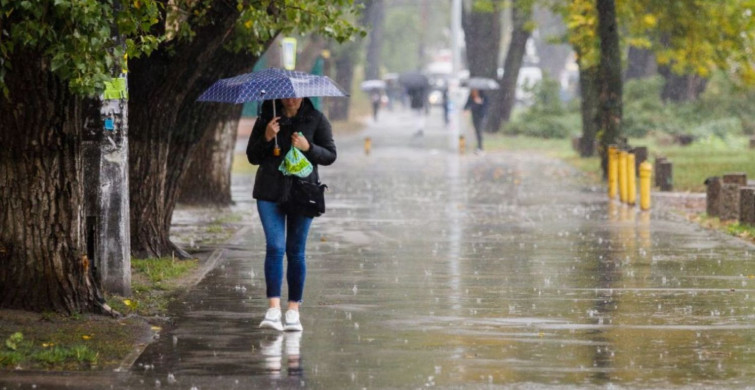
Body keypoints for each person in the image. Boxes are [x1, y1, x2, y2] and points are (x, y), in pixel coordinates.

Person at [246, 97, 337, 332]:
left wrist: (309, 148)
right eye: (287, 94)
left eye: (296, 94)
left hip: (303, 193)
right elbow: (252, 156)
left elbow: (330, 155)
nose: (291, 98)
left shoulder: (316, 119)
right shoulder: (268, 117)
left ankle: (293, 311)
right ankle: (273, 309)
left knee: (295, 251)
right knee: (275, 247)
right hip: (270, 192)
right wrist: (267, 136)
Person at [464, 88, 489, 153]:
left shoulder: (483, 96)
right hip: (474, 116)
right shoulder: (471, 97)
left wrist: (480, 102)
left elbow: (486, 106)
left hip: (482, 116)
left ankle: (480, 147)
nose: (473, 92)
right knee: (477, 131)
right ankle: (479, 146)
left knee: (480, 131)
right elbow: (467, 105)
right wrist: (466, 109)